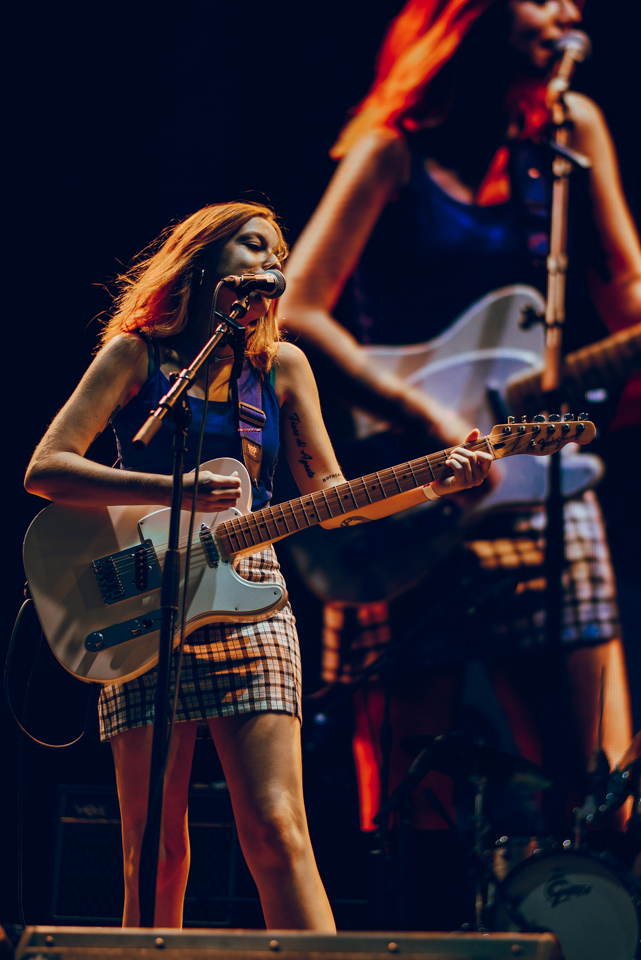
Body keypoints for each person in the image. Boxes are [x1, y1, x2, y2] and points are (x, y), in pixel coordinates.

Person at [23, 201, 492, 929]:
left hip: (252, 596)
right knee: (155, 847)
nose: (272, 261)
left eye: (278, 252)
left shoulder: (281, 368)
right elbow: (47, 468)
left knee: (276, 829)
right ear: (203, 261)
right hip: (142, 599)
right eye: (253, 245)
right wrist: (170, 489)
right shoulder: (134, 356)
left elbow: (332, 501)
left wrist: (433, 482)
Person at [278, 0, 641, 856]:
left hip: (540, 485)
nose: (567, 10)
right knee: (412, 808)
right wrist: (425, 417)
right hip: (410, 485)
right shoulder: (390, 149)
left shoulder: (569, 133)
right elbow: (298, 308)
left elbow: (623, 291)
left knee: (599, 796)